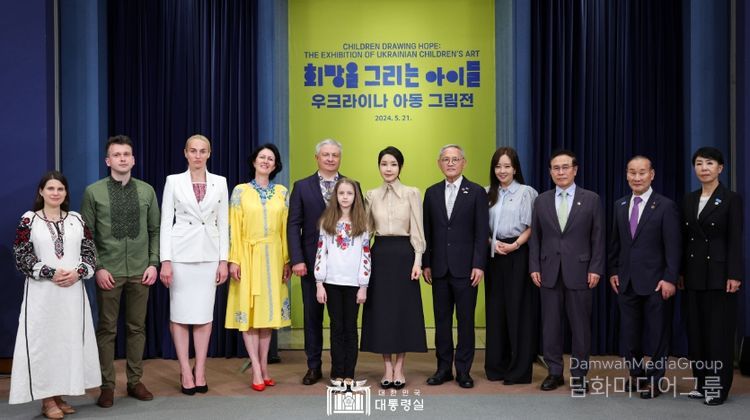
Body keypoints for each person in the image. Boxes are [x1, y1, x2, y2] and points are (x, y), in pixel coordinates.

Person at [10, 171, 101, 419]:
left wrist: (77, 272)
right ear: (41, 191)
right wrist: (50, 273)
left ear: (66, 192)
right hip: (42, 294)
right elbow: (22, 255)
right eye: (50, 188)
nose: (55, 193)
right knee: (45, 343)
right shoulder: (29, 220)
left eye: (60, 189)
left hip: (72, 293)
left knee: (66, 343)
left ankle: (59, 395)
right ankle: (47, 399)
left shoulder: (77, 220)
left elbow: (90, 253)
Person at [80, 135, 160, 408]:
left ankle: (135, 381)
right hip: (109, 272)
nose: (122, 158)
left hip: (141, 270)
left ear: (133, 160)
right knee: (107, 329)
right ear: (108, 161)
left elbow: (155, 230)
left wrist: (153, 263)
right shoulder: (93, 192)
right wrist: (98, 268)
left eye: (126, 154)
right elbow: (86, 235)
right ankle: (107, 386)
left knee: (137, 328)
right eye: (117, 155)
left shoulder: (147, 191)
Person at [528, 149, 604, 392]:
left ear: (575, 170)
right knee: (550, 326)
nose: (560, 172)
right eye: (556, 168)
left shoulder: (591, 199)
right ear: (550, 172)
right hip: (548, 271)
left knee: (580, 327)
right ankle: (554, 372)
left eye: (565, 167)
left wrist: (596, 268)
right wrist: (534, 266)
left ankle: (579, 374)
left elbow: (598, 237)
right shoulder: (541, 200)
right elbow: (536, 238)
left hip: (581, 271)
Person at [159, 134, 229, 395]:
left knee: (203, 315)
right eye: (193, 150)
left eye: (202, 151)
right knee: (179, 314)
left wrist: (224, 260)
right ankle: (185, 371)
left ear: (209, 154)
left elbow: (224, 223)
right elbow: (166, 222)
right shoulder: (173, 181)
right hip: (180, 255)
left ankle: (200, 370)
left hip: (209, 255)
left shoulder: (220, 182)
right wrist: (165, 260)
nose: (198, 155)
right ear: (185, 153)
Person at [608, 156, 680, 399]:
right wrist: (614, 271)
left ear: (652, 175)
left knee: (657, 334)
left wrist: (670, 278)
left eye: (642, 172)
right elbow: (616, 244)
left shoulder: (666, 206)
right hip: (626, 281)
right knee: (629, 333)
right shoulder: (619, 205)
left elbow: (673, 247)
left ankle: (655, 380)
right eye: (632, 172)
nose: (636, 177)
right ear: (626, 175)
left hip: (657, 282)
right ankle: (637, 375)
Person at [225, 143, 292, 392]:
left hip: (274, 256)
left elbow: (286, 229)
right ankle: (255, 368)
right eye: (262, 157)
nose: (265, 161)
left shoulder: (282, 192)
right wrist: (234, 259)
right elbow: (233, 227)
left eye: (270, 158)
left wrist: (287, 259)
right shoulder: (240, 191)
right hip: (247, 255)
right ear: (254, 161)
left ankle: (264, 368)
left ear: (275, 165)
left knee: (266, 317)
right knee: (251, 316)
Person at [361, 146, 427, 389]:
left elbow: (417, 229)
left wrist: (418, 261)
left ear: (400, 167)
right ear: (379, 166)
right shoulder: (371, 195)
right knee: (382, 313)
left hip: (404, 256)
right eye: (384, 164)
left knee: (403, 313)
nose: (388, 169)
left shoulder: (412, 193)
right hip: (379, 255)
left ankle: (400, 367)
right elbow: (366, 231)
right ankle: (387, 367)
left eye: (393, 164)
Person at [422, 144, 489, 389]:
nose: (450, 163)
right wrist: (426, 263)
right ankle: (443, 369)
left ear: (464, 162)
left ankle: (463, 371)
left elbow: (481, 232)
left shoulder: (476, 192)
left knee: (465, 321)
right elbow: (427, 232)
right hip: (439, 269)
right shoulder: (431, 193)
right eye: (446, 159)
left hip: (467, 269)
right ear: (439, 163)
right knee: (442, 321)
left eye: (455, 159)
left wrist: (479, 264)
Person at [681, 147, 743, 406]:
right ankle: (701, 382)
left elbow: (735, 239)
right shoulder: (689, 199)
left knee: (718, 335)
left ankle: (718, 387)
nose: (703, 168)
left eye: (709, 163)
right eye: (699, 163)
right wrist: (681, 273)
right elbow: (685, 240)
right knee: (697, 333)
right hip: (693, 274)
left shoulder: (730, 199)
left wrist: (734, 274)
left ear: (720, 168)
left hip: (720, 275)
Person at [288, 138, 347, 385]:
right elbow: (293, 225)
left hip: (343, 266)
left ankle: (339, 367)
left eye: (335, 155)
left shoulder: (350, 185)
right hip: (311, 264)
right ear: (317, 158)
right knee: (313, 318)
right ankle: (313, 366)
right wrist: (297, 259)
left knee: (339, 320)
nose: (330, 159)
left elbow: (359, 223)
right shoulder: (302, 186)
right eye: (326, 155)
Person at [484, 147, 539, 385]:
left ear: (515, 168)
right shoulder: (486, 193)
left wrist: (515, 245)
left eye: (507, 166)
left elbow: (533, 226)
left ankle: (519, 370)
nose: (502, 171)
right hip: (493, 255)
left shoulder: (527, 192)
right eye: (498, 166)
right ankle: (497, 367)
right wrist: (492, 243)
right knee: (496, 311)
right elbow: (480, 227)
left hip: (518, 253)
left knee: (519, 312)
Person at [314, 178, 371, 383]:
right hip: (332, 283)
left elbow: (366, 255)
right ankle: (337, 372)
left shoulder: (363, 223)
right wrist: (319, 283)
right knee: (336, 328)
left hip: (354, 285)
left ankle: (349, 373)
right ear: (335, 196)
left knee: (351, 328)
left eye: (349, 193)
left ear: (356, 197)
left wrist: (363, 285)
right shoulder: (327, 222)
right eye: (341, 193)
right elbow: (321, 253)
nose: (345, 197)